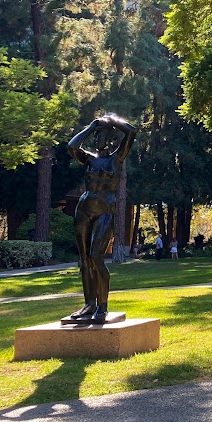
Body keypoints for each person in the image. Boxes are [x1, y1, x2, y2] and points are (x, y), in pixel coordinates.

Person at [66, 115, 137, 323]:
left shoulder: (116, 158)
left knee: (96, 257)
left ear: (111, 139)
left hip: (104, 211)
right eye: (97, 137)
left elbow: (132, 131)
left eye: (103, 136)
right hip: (84, 210)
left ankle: (102, 305)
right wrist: (92, 125)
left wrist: (111, 120)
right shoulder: (89, 159)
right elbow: (72, 146)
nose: (99, 140)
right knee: (85, 260)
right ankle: (89, 304)